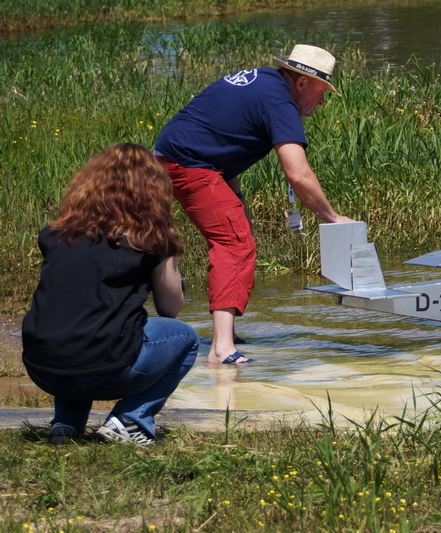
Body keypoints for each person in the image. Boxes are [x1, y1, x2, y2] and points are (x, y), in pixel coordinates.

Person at [154, 44, 353, 365]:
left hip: (174, 156)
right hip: (187, 164)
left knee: (236, 234)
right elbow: (298, 174)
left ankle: (224, 335)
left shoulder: (262, 81)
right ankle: (221, 350)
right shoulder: (279, 102)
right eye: (321, 90)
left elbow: (219, 133)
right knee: (234, 244)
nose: (322, 100)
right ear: (301, 82)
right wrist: (331, 217)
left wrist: (237, 199)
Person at [22, 143, 199, 447]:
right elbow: (171, 308)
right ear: (152, 189)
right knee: (185, 338)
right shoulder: (150, 239)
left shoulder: (54, 233)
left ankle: (66, 423)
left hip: (42, 367)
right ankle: (131, 420)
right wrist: (169, 254)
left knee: (75, 322)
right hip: (103, 369)